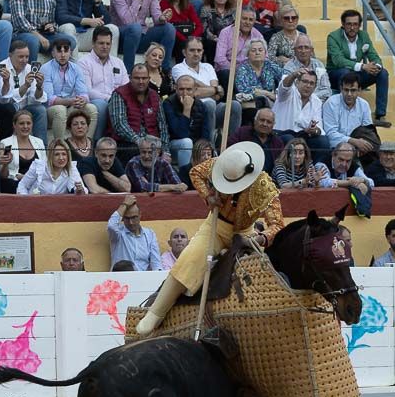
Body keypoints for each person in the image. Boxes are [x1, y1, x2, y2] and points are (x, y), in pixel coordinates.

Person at [135, 141, 283, 334]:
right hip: (215, 226)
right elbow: (195, 172)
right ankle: (156, 313)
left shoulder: (264, 186)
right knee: (189, 259)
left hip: (247, 234)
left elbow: (278, 225)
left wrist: (261, 238)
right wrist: (208, 197)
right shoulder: (221, 164)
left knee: (263, 274)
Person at [326, 9, 391, 127]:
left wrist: (376, 66)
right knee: (346, 72)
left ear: (359, 25)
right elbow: (338, 60)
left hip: (355, 74)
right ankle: (345, 112)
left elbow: (374, 55)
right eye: (349, 24)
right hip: (335, 74)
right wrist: (362, 66)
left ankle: (380, 115)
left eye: (355, 24)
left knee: (383, 73)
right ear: (343, 24)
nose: (352, 27)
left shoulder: (363, 35)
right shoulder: (333, 37)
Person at [111, 0, 177, 75]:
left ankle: (165, 71)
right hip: (122, 38)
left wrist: (163, 17)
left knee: (169, 28)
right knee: (135, 27)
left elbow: (156, 17)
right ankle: (129, 73)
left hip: (141, 36)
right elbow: (127, 21)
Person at [9, 0, 77, 62]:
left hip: (46, 35)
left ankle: (63, 72)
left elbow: (53, 21)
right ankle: (31, 73)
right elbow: (19, 21)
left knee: (71, 41)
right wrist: (39, 36)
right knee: (33, 41)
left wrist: (52, 27)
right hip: (23, 35)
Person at [77, 27, 131, 141]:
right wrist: (111, 99)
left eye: (108, 43)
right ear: (93, 43)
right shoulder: (83, 62)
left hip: (116, 101)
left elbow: (127, 87)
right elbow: (87, 91)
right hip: (94, 102)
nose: (105, 47)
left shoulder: (118, 63)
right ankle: (97, 143)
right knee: (102, 106)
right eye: (101, 43)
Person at [108, 64, 169, 162]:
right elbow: (119, 125)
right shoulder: (119, 94)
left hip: (153, 144)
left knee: (164, 162)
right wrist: (139, 141)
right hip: (127, 144)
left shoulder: (155, 96)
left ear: (149, 79)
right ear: (130, 78)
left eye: (144, 78)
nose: (141, 82)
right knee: (140, 153)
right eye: (137, 78)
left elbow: (163, 127)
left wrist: (166, 151)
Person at [41, 37, 96, 143]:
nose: (63, 54)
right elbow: (49, 99)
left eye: (66, 50)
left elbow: (84, 93)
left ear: (70, 53)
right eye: (59, 50)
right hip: (51, 110)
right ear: (53, 53)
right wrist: (70, 101)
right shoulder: (45, 68)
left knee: (91, 108)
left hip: (70, 106)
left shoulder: (76, 68)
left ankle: (88, 146)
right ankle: (60, 148)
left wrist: (83, 99)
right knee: (60, 110)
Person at [108, 193, 162, 273]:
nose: (131, 222)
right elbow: (111, 226)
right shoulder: (118, 233)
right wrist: (124, 204)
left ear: (140, 215)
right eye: (127, 218)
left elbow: (156, 263)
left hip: (142, 279)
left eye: (134, 217)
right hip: (120, 279)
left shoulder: (150, 234)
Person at [19, 137, 87, 194]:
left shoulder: (71, 168)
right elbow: (22, 185)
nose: (61, 158)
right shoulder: (39, 166)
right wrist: (26, 201)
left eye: (64, 154)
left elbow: (83, 190)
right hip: (35, 205)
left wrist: (79, 191)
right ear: (50, 156)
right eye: (57, 154)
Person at [163, 75, 205, 167]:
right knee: (186, 142)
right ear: (176, 89)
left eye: (189, 89)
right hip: (173, 146)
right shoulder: (168, 103)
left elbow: (203, 133)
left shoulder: (200, 105)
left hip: (193, 146)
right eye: (181, 89)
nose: (185, 93)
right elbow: (180, 134)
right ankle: (184, 176)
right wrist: (187, 109)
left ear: (195, 90)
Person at [214, 5, 263, 73]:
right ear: (237, 18)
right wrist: (238, 70)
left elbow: (264, 58)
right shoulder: (225, 33)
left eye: (251, 20)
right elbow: (220, 59)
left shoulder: (258, 35)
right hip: (229, 70)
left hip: (250, 72)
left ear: (254, 21)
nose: (247, 22)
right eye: (244, 18)